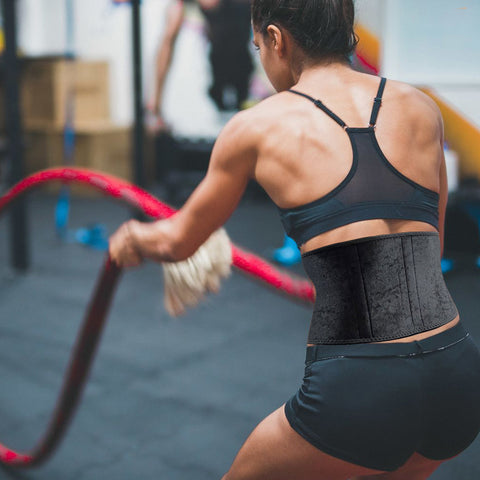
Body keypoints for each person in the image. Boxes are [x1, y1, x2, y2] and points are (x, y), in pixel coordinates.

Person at [109, 0, 480, 478]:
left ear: (277, 39)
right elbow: (433, 249)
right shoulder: (421, 107)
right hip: (458, 375)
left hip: (360, 387)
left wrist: (134, 239)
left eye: (258, 45)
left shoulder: (255, 127)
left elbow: (178, 242)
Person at [146, 0, 253, 130]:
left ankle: (154, 108)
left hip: (238, 67)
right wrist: (155, 106)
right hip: (226, 68)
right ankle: (154, 108)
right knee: (174, 19)